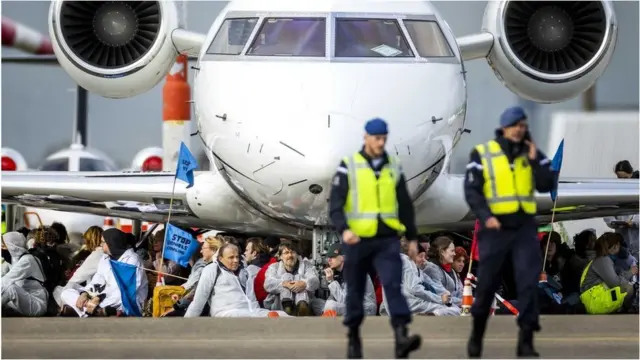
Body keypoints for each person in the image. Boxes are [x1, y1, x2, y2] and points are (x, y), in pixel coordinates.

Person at [463, 106, 555, 358]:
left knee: (528, 285)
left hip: (524, 227)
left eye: (522, 126)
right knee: (487, 287)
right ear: (504, 128)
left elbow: (547, 183)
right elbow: (472, 191)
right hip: (495, 229)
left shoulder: (532, 153)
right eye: (514, 125)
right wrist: (485, 216)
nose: (519, 130)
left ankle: (525, 342)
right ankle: (476, 336)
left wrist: (536, 159)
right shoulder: (483, 153)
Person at [329, 117, 421, 359]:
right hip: (357, 240)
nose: (380, 143)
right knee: (356, 290)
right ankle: (353, 339)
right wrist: (344, 229)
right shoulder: (349, 165)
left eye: (383, 139)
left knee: (393, 285)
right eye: (376, 138)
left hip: (386, 239)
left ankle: (402, 336)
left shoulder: (393, 166)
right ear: (366, 137)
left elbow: (404, 204)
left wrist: (412, 238)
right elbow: (336, 206)